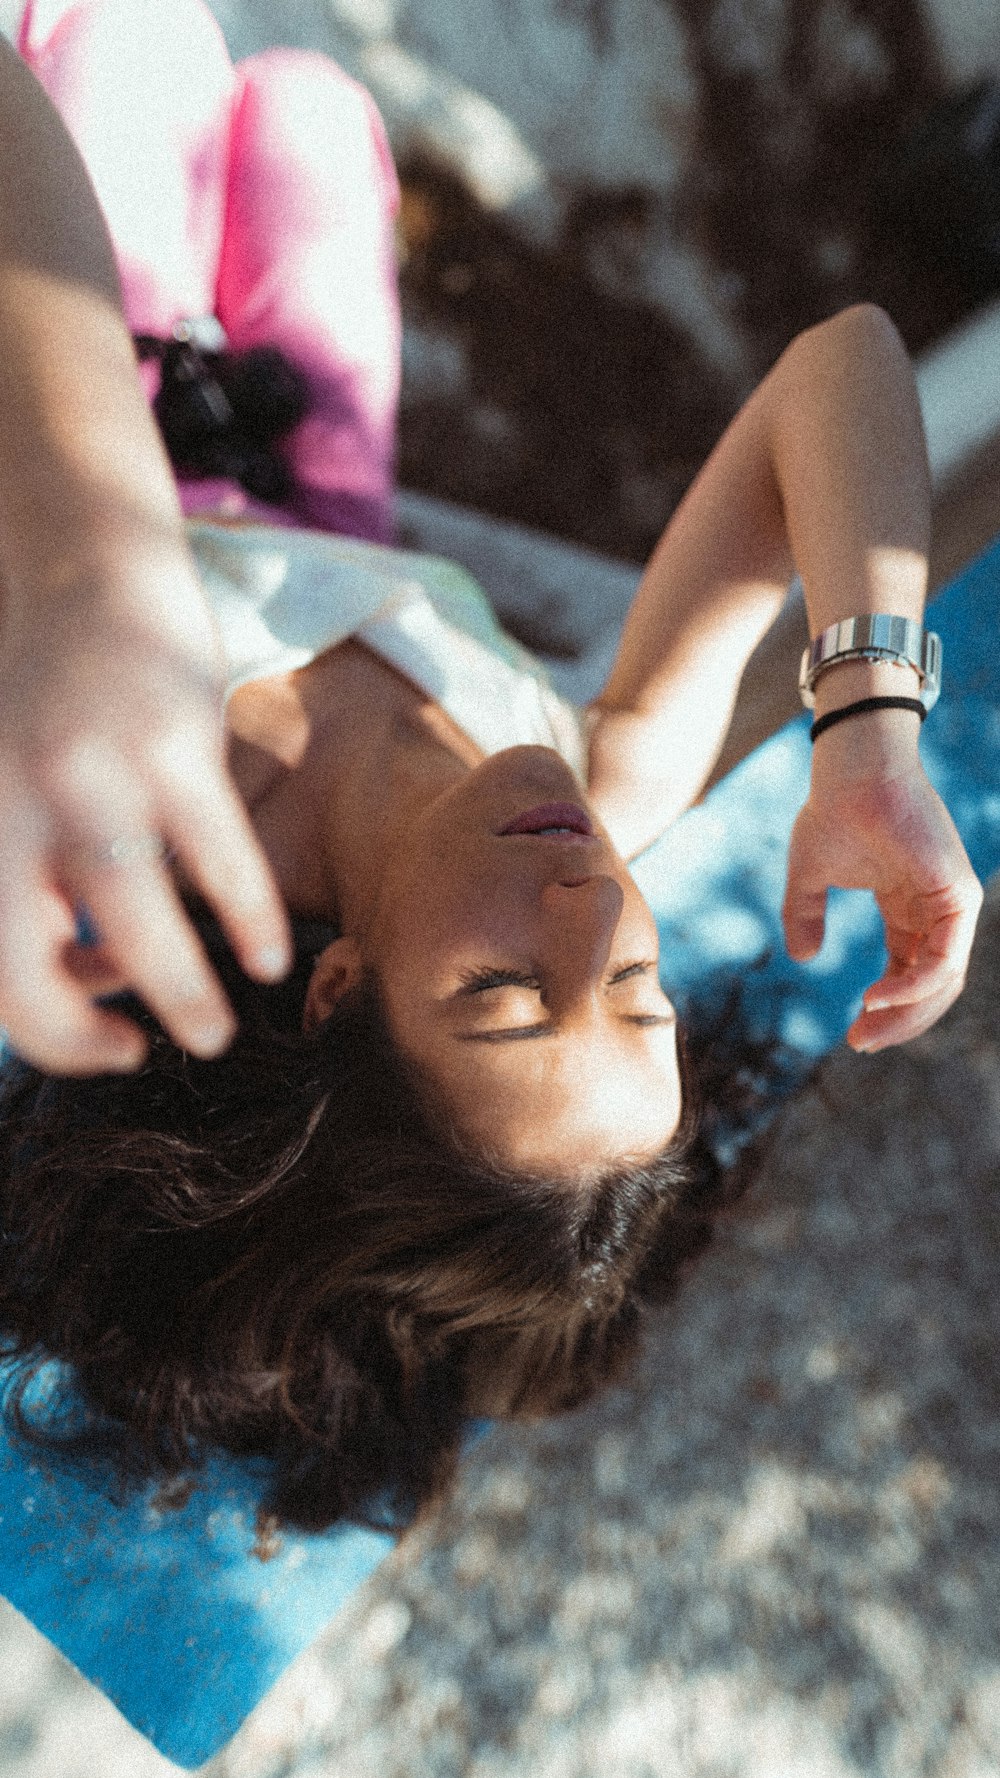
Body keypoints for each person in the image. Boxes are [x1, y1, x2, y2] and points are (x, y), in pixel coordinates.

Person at [0, 3, 982, 1530]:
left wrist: (85, 572)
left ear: (338, 991)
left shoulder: (143, 798)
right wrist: (867, 726)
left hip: (87, 452)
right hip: (312, 481)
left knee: (124, 44)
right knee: (316, 117)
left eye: (510, 995)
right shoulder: (592, 787)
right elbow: (837, 368)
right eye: (640, 992)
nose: (592, 904)